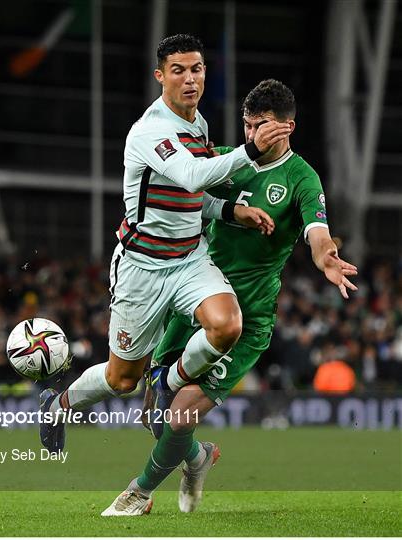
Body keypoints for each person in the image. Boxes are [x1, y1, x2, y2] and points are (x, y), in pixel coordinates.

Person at [102, 79, 358, 516]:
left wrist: (327, 255)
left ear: (288, 126)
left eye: (263, 125)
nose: (252, 133)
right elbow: (184, 192)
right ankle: (198, 459)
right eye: (247, 123)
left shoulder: (301, 178)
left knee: (181, 408)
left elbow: (317, 233)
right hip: (193, 296)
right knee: (154, 414)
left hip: (247, 317)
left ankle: (138, 493)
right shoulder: (225, 160)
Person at [39, 37, 290, 472]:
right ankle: (58, 403)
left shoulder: (200, 125)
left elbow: (193, 200)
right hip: (143, 265)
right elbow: (193, 177)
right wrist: (251, 151)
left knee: (228, 324)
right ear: (161, 77)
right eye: (178, 70)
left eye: (197, 68)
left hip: (190, 257)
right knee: (121, 380)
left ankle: (168, 381)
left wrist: (232, 210)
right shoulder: (151, 130)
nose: (190, 78)